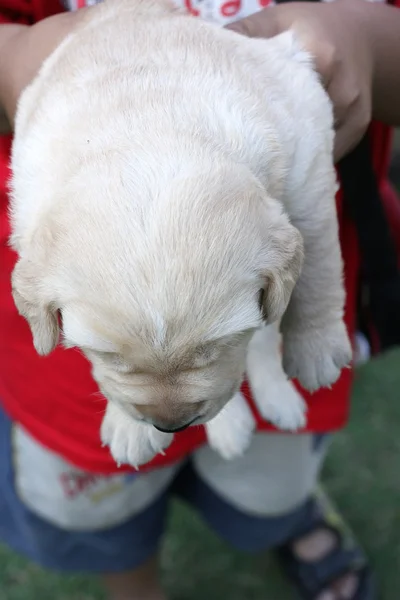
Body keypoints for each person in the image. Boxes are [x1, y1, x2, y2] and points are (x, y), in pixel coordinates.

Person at [0, 1, 399, 599]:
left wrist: (367, 44)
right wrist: (12, 64)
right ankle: (133, 584)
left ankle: (285, 519)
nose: (171, 405)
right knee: (107, 510)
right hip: (64, 387)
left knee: (271, 477)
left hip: (286, 290)